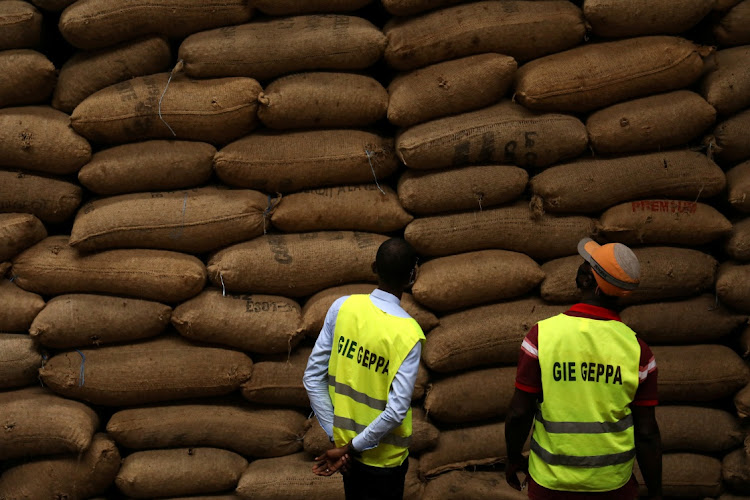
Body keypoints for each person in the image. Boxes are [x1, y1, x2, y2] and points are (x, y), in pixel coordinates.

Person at [505, 238, 662, 500]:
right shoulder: (638, 350)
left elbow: (520, 412)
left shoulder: (542, 336)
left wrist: (512, 458)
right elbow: (647, 433)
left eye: (587, 263)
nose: (581, 266)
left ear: (586, 280)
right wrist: (656, 492)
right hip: (612, 486)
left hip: (550, 484)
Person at [303, 237, 425, 500]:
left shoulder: (342, 307)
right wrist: (350, 447)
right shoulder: (409, 334)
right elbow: (396, 411)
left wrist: (339, 442)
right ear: (411, 277)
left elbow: (312, 378)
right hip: (384, 464)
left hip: (347, 458)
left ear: (373, 267)